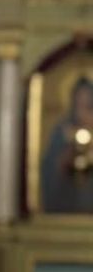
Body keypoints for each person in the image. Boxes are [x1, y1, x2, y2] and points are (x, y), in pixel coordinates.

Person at [40, 75, 93, 214]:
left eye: (88, 106)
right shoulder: (62, 131)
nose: (82, 114)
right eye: (77, 106)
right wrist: (67, 155)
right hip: (67, 207)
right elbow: (49, 172)